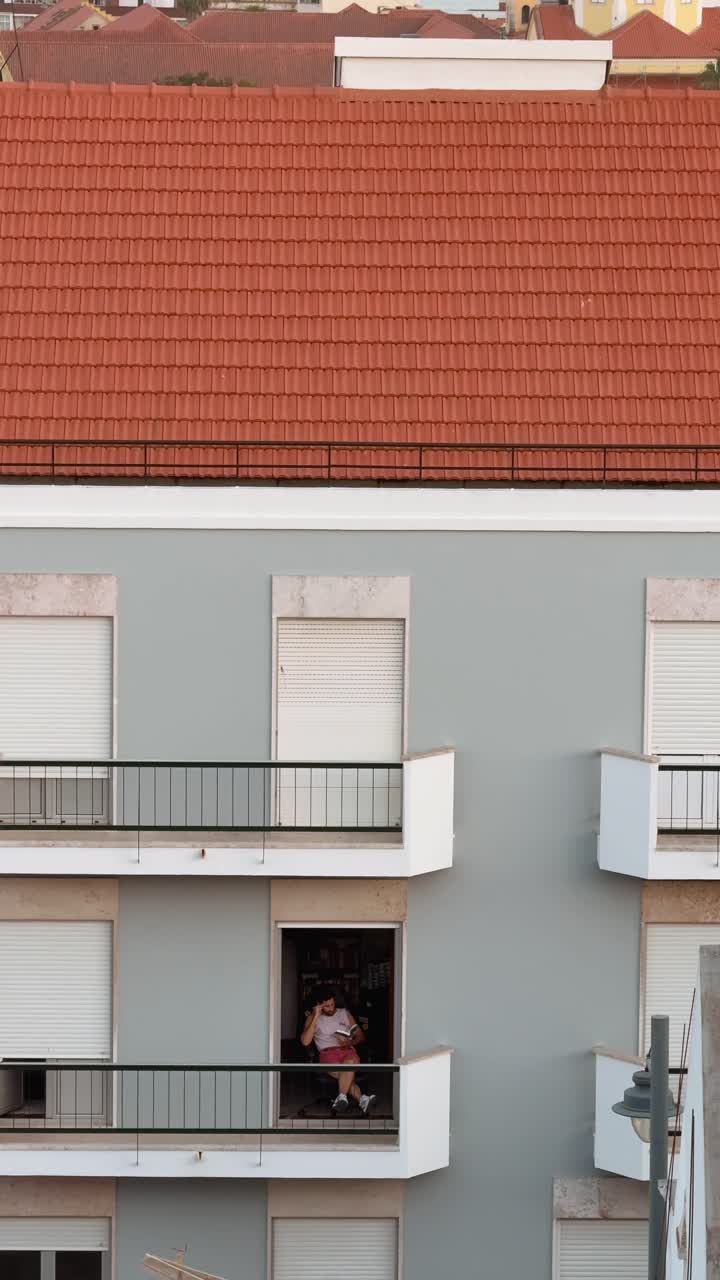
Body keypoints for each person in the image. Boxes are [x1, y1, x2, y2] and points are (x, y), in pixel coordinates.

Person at [300, 988, 376, 1116]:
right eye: (327, 1006)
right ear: (319, 1004)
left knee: (349, 1062)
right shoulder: (313, 1018)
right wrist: (316, 1016)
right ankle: (362, 1099)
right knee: (345, 1073)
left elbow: (360, 1036)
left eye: (333, 1004)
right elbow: (305, 1042)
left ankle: (341, 1097)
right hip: (328, 1054)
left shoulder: (344, 1013)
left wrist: (349, 1042)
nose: (331, 1008)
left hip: (348, 1051)